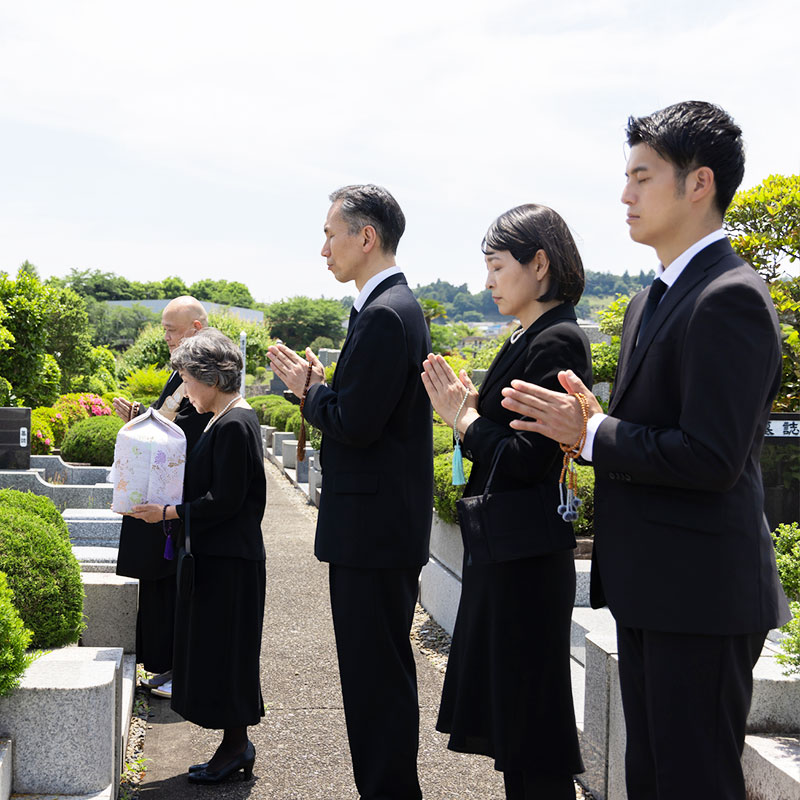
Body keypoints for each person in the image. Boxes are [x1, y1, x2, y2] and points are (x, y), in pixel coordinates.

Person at [500, 101, 791, 800]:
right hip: (656, 589)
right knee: (652, 779)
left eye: (641, 177)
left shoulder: (730, 298)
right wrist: (597, 426)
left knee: (692, 784)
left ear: (700, 184)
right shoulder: (648, 301)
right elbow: (659, 433)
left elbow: (711, 457)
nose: (624, 195)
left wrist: (592, 432)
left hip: (702, 596)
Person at [268, 184, 432, 800]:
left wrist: (309, 392)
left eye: (331, 235)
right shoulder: (384, 308)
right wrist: (316, 388)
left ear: (367, 237)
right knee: (376, 677)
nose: (323, 250)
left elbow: (357, 425)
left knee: (375, 681)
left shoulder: (387, 313)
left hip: (374, 534)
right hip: (379, 530)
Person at [421, 204, 589, 800]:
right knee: (516, 724)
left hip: (524, 558)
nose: (487, 281)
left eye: (496, 266)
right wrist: (470, 411)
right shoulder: (527, 336)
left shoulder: (558, 339)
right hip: (507, 551)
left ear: (538, 263)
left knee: (531, 728)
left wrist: (466, 419)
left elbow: (527, 459)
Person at [131, 328, 266, 785]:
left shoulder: (233, 424)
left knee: (229, 654)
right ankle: (232, 746)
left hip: (231, 561)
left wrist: (167, 511)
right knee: (220, 652)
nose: (184, 390)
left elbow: (225, 501)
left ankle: (235, 749)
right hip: (220, 557)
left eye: (187, 379)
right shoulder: (222, 417)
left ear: (209, 378)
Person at [114, 295, 211, 699]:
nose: (166, 336)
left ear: (196, 328)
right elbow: (168, 416)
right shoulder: (181, 368)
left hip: (179, 499)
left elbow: (186, 428)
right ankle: (163, 666)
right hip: (162, 492)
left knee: (172, 587)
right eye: (165, 328)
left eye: (172, 328)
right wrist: (139, 413)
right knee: (156, 583)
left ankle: (177, 670)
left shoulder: (207, 370)